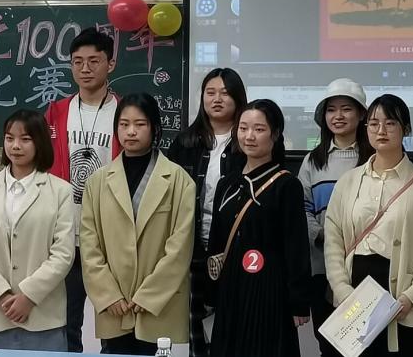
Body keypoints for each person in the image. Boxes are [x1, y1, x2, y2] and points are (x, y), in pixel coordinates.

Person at [323, 94, 413, 357]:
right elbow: (333, 239)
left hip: (402, 298)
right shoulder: (348, 181)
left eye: (390, 123)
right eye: (373, 123)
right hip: (354, 295)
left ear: (406, 129)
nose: (381, 130)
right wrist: (342, 290)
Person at [80, 93, 195, 355]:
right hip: (115, 304)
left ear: (154, 128)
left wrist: (149, 296)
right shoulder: (97, 182)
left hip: (157, 305)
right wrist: (109, 295)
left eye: (140, 124)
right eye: (124, 124)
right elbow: (89, 246)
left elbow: (179, 249)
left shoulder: (179, 180)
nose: (131, 131)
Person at [0, 110, 76, 351]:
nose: (15, 146)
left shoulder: (61, 191)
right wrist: (1, 295)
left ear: (40, 142)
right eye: (9, 138)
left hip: (44, 316)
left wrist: (28, 296)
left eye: (25, 139)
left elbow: (63, 253)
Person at [207, 99, 310, 357]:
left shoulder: (286, 185)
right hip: (231, 288)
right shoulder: (227, 183)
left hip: (269, 291)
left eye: (259, 129)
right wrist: (211, 292)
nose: (249, 136)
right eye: (243, 128)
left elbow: (296, 248)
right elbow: (216, 241)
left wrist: (298, 301)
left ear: (275, 134)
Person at [44, 27, 121, 353]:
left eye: (94, 61)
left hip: (110, 237)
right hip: (65, 236)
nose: (85, 69)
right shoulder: (56, 112)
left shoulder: (126, 114)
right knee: (64, 325)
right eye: (77, 62)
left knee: (116, 324)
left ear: (110, 64)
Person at [166, 67, 247, 357]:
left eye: (225, 93)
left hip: (236, 251)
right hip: (193, 249)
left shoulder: (248, 142)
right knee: (197, 333)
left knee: (236, 331)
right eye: (210, 93)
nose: (217, 99)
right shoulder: (185, 143)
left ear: (238, 98)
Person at [298, 78, 373, 357]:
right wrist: (323, 236)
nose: (338, 116)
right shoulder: (313, 161)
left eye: (346, 109)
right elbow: (302, 208)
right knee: (329, 346)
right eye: (331, 110)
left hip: (367, 265)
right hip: (322, 268)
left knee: (366, 346)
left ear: (362, 114)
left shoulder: (375, 157)